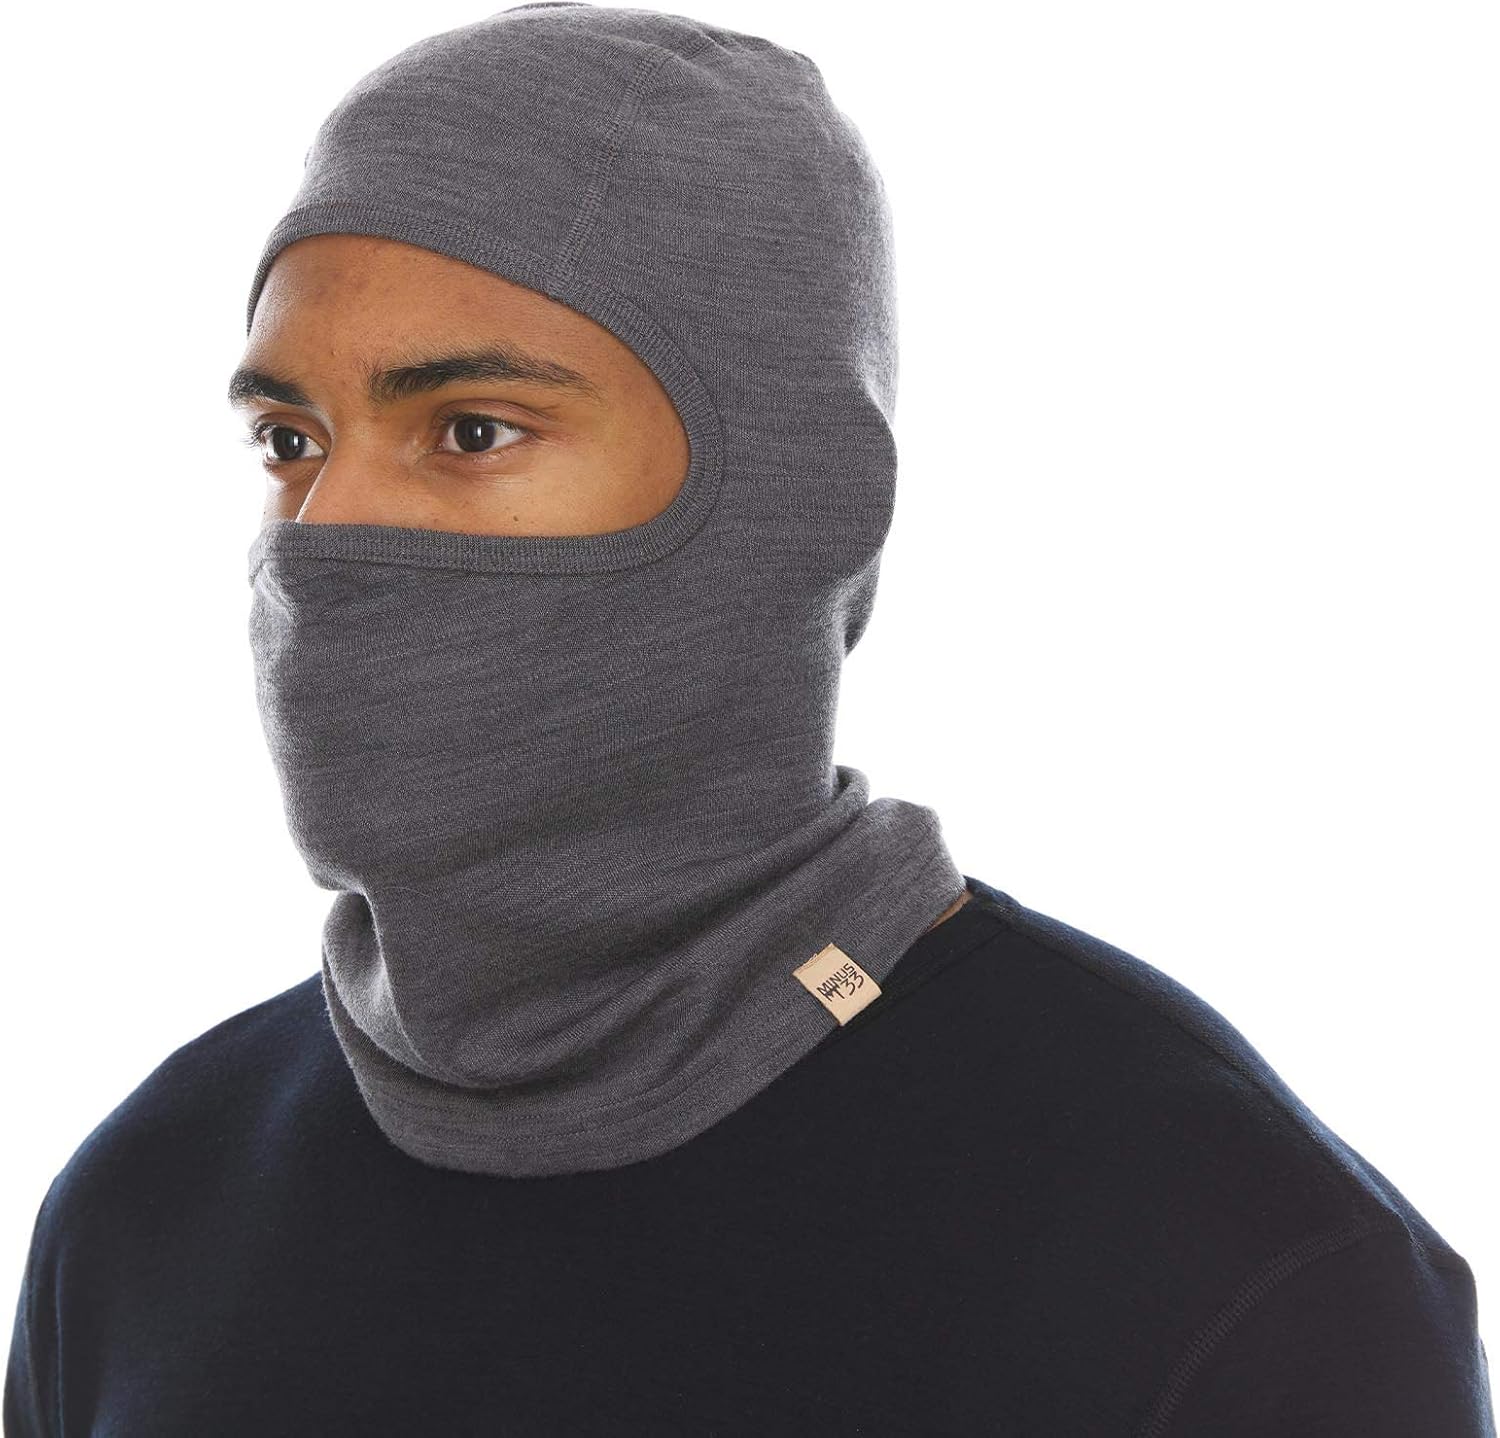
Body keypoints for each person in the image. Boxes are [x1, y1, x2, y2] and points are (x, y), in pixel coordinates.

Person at [4, 3, 1494, 1433]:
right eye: (291, 440)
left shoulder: (1227, 1262)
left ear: (798, 500)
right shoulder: (147, 1213)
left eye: (471, 429)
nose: (326, 534)